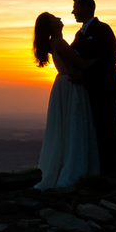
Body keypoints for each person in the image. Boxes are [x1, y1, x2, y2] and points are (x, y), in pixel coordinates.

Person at [33, 11, 99, 189]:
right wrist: (104, 59)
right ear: (51, 26)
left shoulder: (56, 43)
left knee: (66, 128)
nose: (60, 18)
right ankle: (73, 172)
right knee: (73, 126)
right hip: (70, 86)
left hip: (64, 86)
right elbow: (82, 64)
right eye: (55, 18)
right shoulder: (59, 43)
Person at [69, 0, 116, 176]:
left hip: (106, 87)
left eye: (75, 7)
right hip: (90, 90)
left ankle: (109, 172)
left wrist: (85, 75)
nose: (73, 11)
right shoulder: (79, 33)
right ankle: (97, 170)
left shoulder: (103, 29)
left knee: (106, 129)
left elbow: (108, 58)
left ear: (86, 7)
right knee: (94, 130)